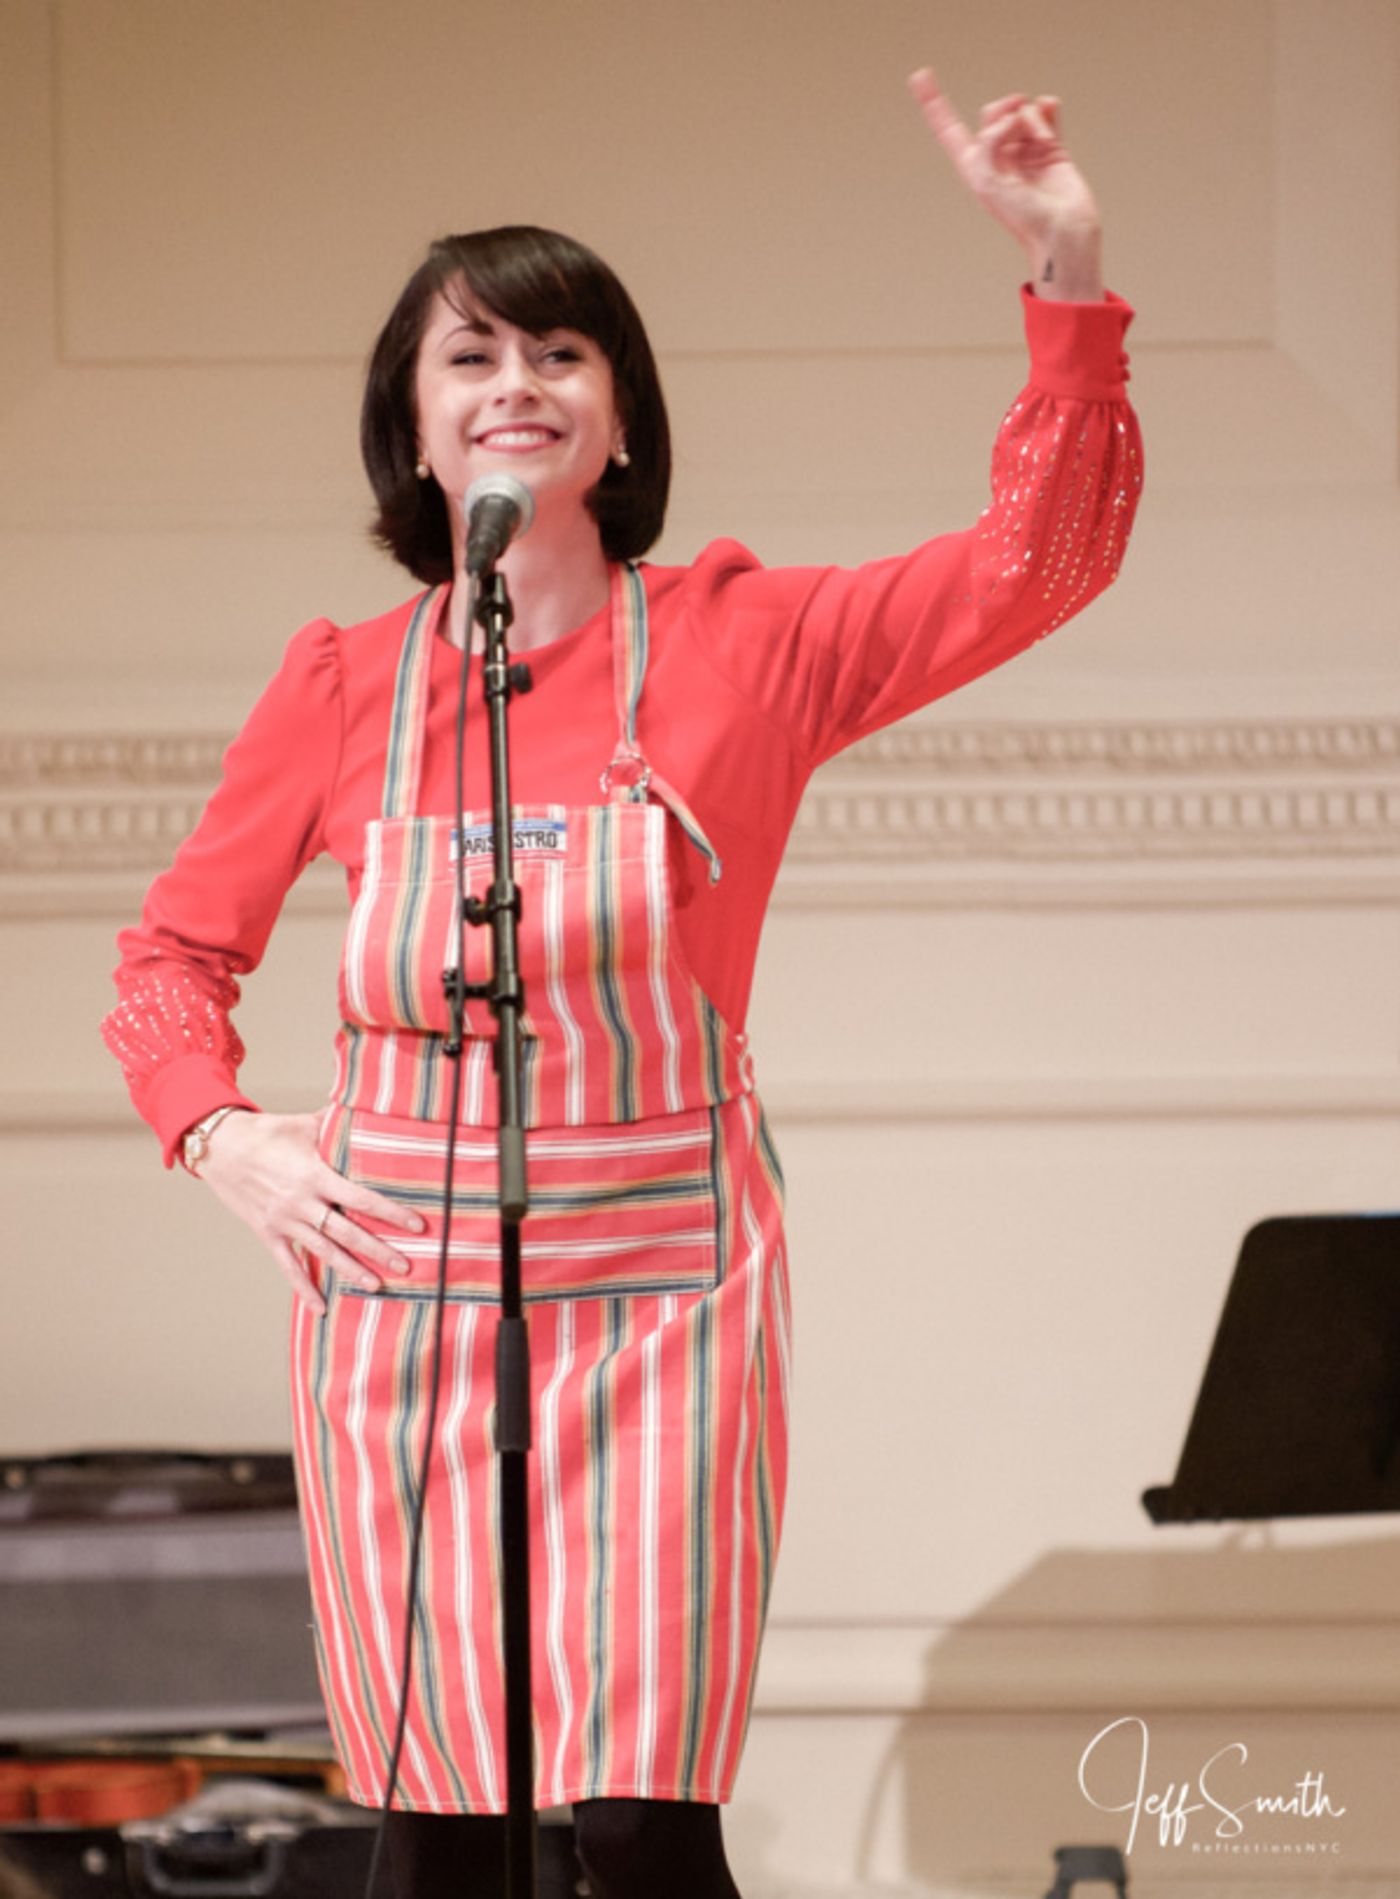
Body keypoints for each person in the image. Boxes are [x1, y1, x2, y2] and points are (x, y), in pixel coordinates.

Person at [101, 67, 1143, 1899]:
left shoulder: (754, 643)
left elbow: (1031, 566)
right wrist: (220, 1137)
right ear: (413, 436)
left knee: (647, 1824)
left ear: (622, 418)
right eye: (472, 357)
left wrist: (1065, 271)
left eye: (564, 352)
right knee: (435, 1823)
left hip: (666, 1295)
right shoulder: (342, 682)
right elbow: (171, 959)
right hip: (399, 1304)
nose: (519, 384)